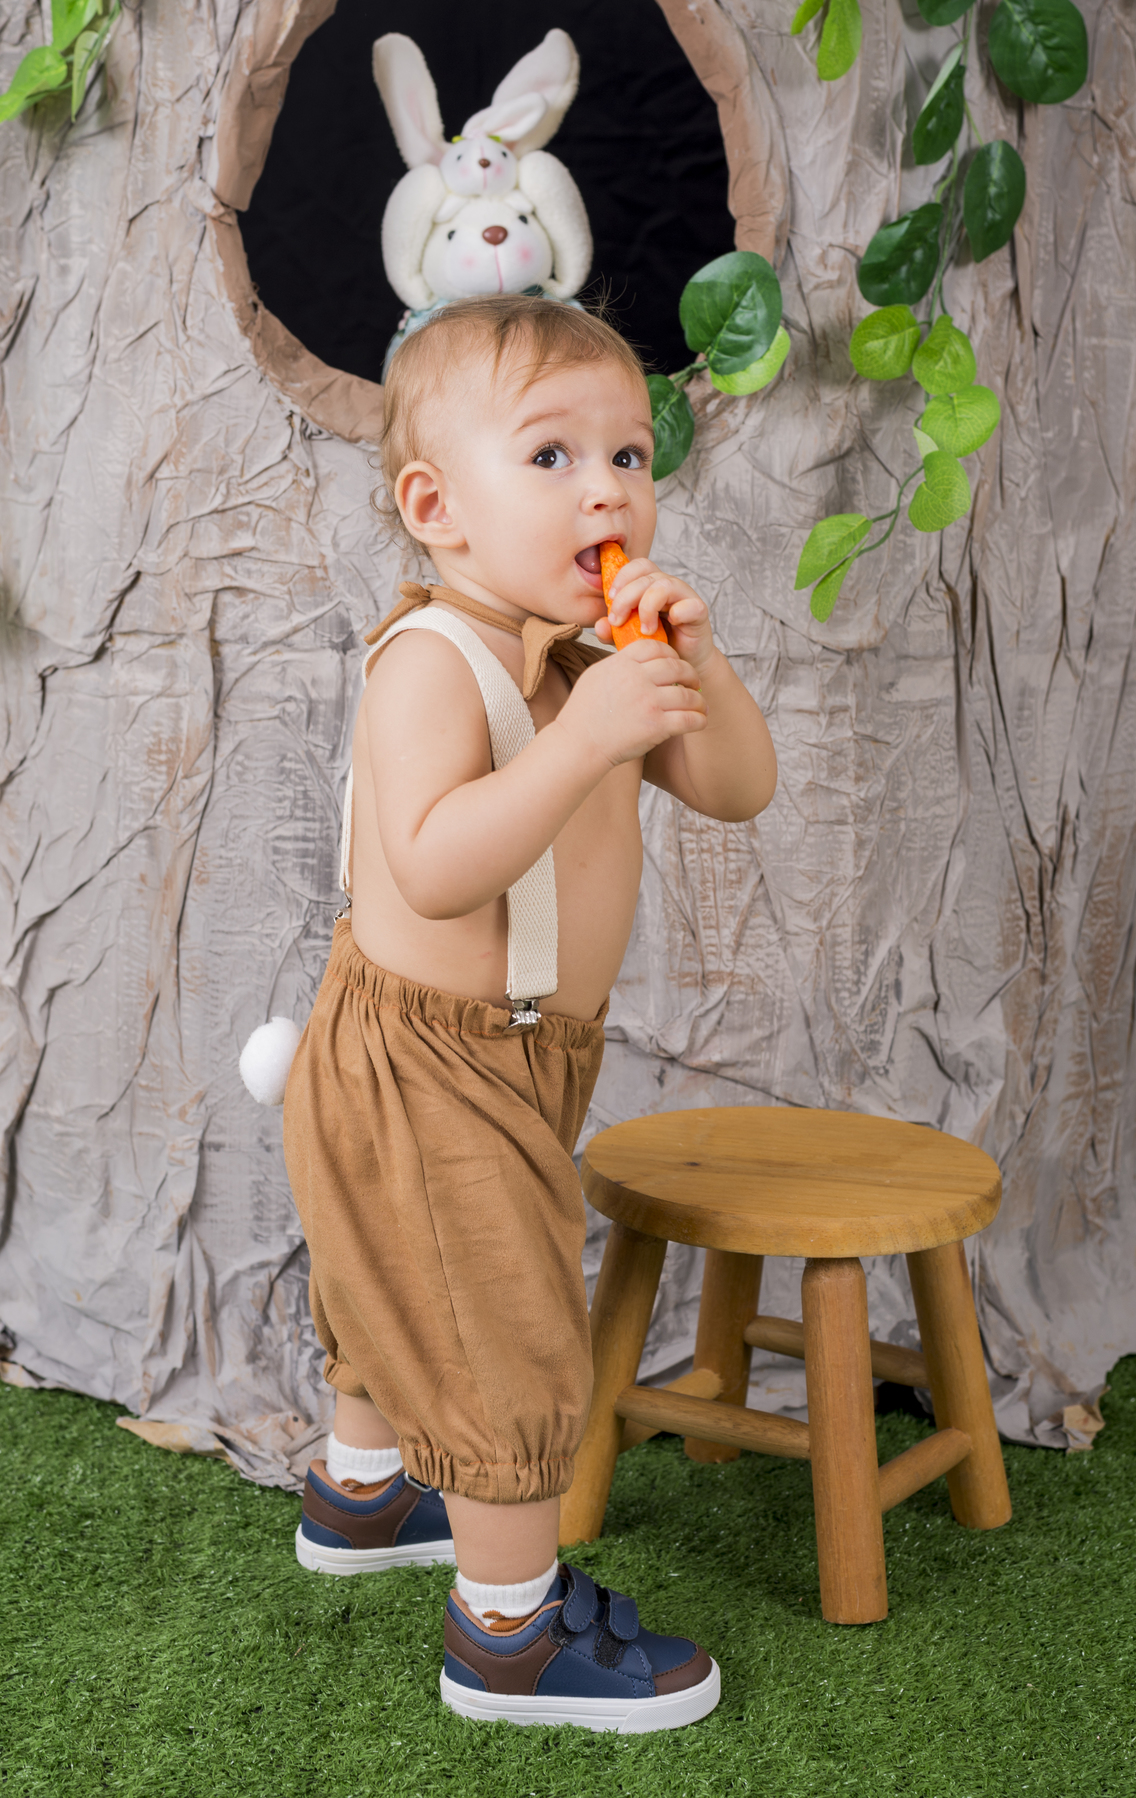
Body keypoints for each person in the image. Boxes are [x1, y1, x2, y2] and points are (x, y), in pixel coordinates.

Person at [283, 293, 777, 1732]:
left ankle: (368, 1492)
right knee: (496, 1318)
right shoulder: (432, 660)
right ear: (435, 507)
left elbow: (738, 788)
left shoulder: (586, 659)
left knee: (411, 1282)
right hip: (423, 1058)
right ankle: (504, 1634)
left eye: (628, 455)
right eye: (553, 457)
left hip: (521, 1054)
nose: (607, 489)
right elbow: (437, 863)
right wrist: (583, 743)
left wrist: (694, 664)